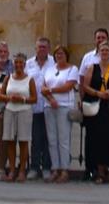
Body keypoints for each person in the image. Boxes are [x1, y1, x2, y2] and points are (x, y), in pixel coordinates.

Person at [81, 39, 109, 184]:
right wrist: (97, 93)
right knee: (96, 138)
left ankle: (107, 169)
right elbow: (85, 85)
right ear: (99, 53)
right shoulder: (92, 68)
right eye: (102, 50)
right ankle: (98, 171)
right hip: (95, 106)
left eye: (107, 50)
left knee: (108, 137)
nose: (104, 53)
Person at [0, 51, 37, 182]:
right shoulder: (8, 77)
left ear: (24, 64)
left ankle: (22, 171)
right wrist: (10, 98)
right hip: (10, 110)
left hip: (24, 111)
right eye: (16, 62)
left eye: (21, 62)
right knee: (10, 141)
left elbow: (34, 98)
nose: (18, 65)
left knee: (23, 141)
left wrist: (22, 99)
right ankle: (12, 170)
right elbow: (0, 95)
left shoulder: (29, 79)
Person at [45, 43, 79, 183]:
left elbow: (68, 86)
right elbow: (43, 87)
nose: (59, 56)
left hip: (64, 106)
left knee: (63, 139)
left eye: (62, 53)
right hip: (49, 106)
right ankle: (55, 168)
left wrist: (51, 90)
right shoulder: (50, 69)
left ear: (66, 55)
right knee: (52, 139)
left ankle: (64, 169)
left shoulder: (72, 69)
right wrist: (51, 99)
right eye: (57, 54)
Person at [26, 35, 56, 180]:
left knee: (49, 139)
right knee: (36, 139)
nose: (42, 49)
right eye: (39, 47)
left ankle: (47, 168)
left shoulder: (54, 62)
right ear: (35, 48)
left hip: (50, 106)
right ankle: (34, 167)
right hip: (34, 107)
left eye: (44, 47)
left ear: (48, 49)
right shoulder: (28, 64)